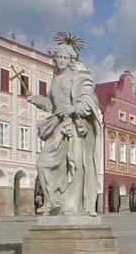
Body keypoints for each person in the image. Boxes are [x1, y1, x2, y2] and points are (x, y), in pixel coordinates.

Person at [27, 34, 103, 216]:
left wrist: (73, 109)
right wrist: (37, 100)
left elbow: (88, 101)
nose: (60, 61)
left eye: (64, 57)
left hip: (75, 128)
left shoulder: (80, 78)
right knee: (43, 164)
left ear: (71, 59)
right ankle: (53, 201)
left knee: (75, 165)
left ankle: (71, 206)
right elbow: (53, 105)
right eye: (58, 57)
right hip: (57, 126)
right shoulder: (55, 80)